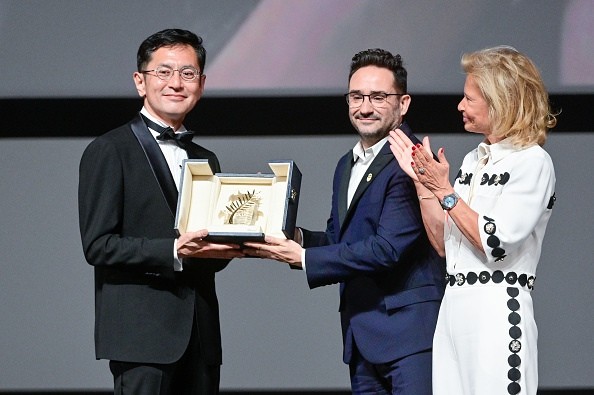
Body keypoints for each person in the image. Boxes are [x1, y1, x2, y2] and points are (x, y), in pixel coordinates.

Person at [243, 49, 446, 394]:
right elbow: (342, 238)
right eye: (356, 96)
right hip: (362, 336)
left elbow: (386, 249)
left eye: (379, 97)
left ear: (404, 103)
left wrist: (303, 258)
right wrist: (295, 237)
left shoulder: (412, 161)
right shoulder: (346, 164)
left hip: (409, 338)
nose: (365, 107)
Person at [78, 29, 244, 395]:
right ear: (140, 82)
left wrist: (237, 242)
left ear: (201, 84)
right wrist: (173, 250)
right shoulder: (109, 150)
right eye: (163, 72)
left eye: (187, 74)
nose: (176, 83)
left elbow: (206, 249)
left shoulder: (206, 158)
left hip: (200, 337)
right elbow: (99, 246)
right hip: (141, 340)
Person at [389, 45, 557, 395]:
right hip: (454, 309)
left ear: (501, 102)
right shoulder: (472, 160)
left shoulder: (532, 162)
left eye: (469, 98)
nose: (460, 106)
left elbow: (494, 242)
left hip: (496, 310)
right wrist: (423, 183)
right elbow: (442, 243)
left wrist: (445, 191)